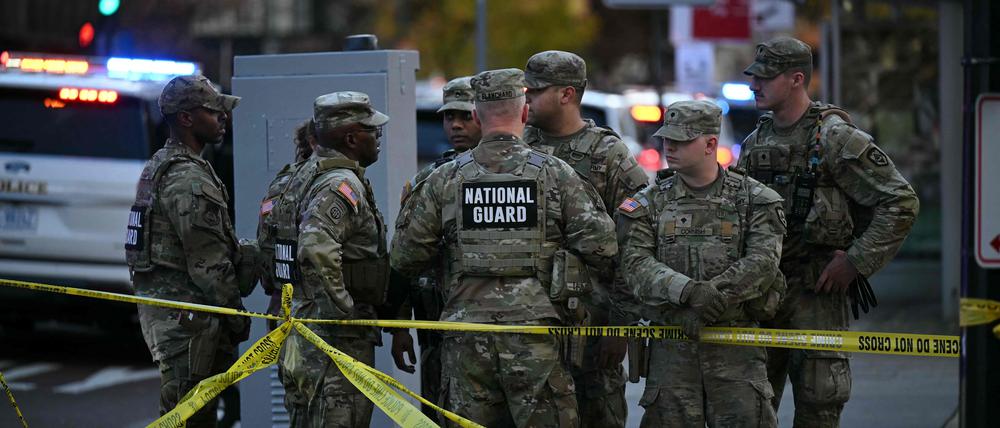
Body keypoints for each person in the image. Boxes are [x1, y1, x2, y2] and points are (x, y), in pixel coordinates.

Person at [390, 68, 618, 427]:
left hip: (466, 340)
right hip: (535, 339)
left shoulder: (443, 179)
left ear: (478, 115)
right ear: (524, 113)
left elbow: (405, 256)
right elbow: (603, 247)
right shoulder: (557, 175)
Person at [738, 36, 920, 427]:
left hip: (817, 292)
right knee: (748, 407)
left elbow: (901, 202)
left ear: (796, 79)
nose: (755, 85)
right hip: (763, 293)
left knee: (819, 407)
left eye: (765, 78)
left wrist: (855, 262)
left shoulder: (836, 138)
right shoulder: (757, 141)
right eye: (754, 77)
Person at [618, 100, 784, 427]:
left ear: (710, 144)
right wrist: (689, 293)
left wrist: (713, 296)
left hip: (737, 354)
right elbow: (636, 265)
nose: (670, 146)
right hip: (671, 354)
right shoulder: (647, 203)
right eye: (668, 139)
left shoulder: (755, 200)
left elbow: (763, 262)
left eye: (681, 140)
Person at [522, 50, 649, 427]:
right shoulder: (517, 147)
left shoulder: (607, 154)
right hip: (530, 322)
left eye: (536, 91)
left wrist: (621, 324)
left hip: (591, 326)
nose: (526, 98)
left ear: (567, 94)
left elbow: (637, 240)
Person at [125, 75, 253, 427]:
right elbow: (207, 263)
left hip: (175, 320)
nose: (223, 119)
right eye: (214, 112)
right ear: (186, 118)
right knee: (188, 419)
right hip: (190, 327)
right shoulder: (188, 179)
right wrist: (237, 315)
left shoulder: (161, 166)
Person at [277, 91, 391, 427]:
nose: (378, 138)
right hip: (332, 342)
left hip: (302, 327)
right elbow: (315, 247)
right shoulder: (340, 184)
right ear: (352, 138)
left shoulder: (297, 177)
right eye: (373, 131)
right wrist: (343, 311)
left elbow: (270, 245)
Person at [388, 75, 482, 421]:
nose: (455, 125)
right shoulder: (428, 180)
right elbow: (405, 257)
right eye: (448, 117)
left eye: (465, 116)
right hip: (438, 328)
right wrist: (399, 326)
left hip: (494, 327)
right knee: (439, 412)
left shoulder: (514, 173)